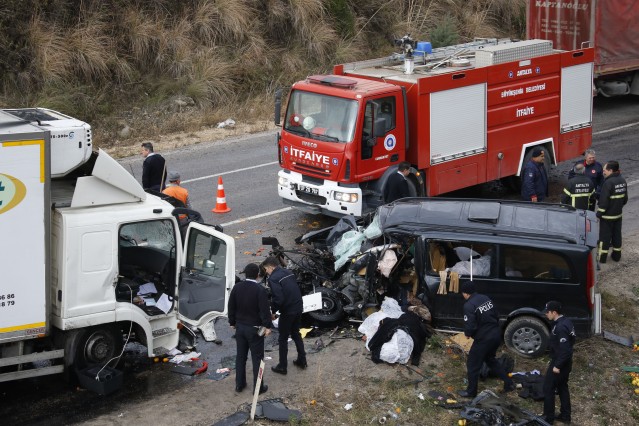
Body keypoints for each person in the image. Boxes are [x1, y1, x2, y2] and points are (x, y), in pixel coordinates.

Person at [457, 281, 515, 398]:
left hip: (484, 339)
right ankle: (509, 383)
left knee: (472, 364)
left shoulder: (468, 305)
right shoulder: (485, 298)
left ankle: (471, 392)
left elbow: (470, 324)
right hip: (495, 334)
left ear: (465, 293)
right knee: (491, 360)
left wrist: (468, 334)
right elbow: (496, 314)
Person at [227, 263, 272, 395]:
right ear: (258, 275)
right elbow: (264, 310)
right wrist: (268, 326)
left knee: (240, 357)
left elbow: (231, 306)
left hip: (240, 328)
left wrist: (232, 322)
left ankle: (239, 385)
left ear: (245, 274)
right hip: (255, 329)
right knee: (257, 358)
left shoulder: (237, 287)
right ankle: (258, 387)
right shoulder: (260, 290)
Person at [262, 256, 307, 374]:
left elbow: (279, 298)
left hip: (288, 311)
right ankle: (302, 360)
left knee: (282, 338)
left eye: (266, 269)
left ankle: (282, 366)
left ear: (271, 267)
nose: (266, 272)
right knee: (296, 333)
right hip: (298, 307)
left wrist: (273, 312)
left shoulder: (273, 278)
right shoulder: (288, 272)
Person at [542, 301, 575, 424]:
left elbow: (565, 350)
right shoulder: (566, 321)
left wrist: (557, 365)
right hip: (565, 362)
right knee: (562, 387)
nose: (546, 314)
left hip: (560, 362)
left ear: (554, 312)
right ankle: (565, 416)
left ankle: (548, 418)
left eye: (547, 312)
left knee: (548, 388)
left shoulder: (560, 327)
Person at [597, 161, 628, 263]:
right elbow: (625, 199)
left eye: (604, 170)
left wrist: (599, 214)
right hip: (618, 215)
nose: (603, 172)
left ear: (610, 170)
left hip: (607, 218)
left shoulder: (608, 183)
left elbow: (603, 202)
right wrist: (617, 207)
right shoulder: (622, 180)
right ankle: (616, 256)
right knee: (617, 236)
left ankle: (602, 258)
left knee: (604, 238)